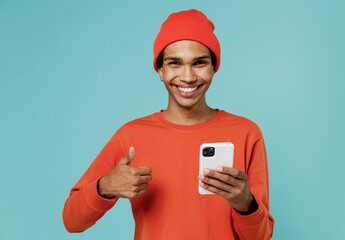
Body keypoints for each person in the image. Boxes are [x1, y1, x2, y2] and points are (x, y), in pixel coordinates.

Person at [62, 9, 274, 240]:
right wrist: (105, 187)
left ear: (214, 67)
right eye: (175, 63)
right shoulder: (131, 135)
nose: (188, 77)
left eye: (199, 63)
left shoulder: (246, 133)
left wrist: (245, 204)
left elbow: (261, 237)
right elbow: (72, 221)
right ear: (160, 69)